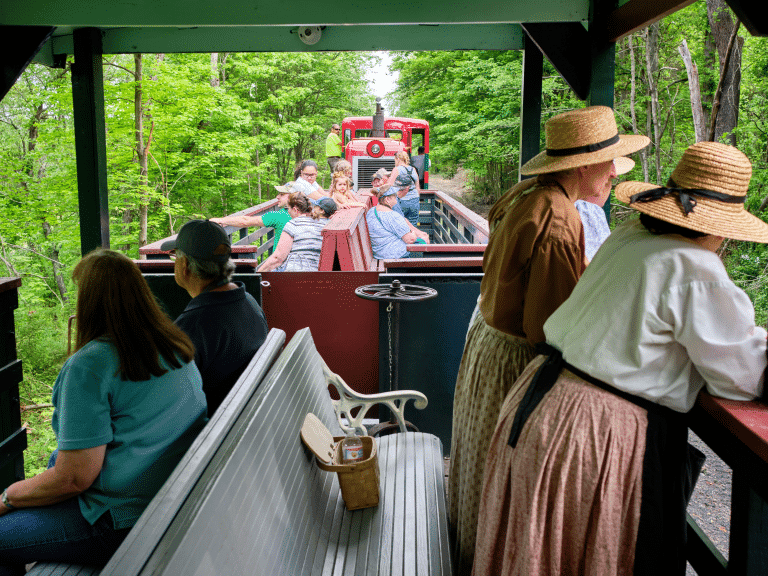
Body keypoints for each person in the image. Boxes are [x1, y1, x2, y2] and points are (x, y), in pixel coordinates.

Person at [473, 141, 768, 576]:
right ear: (720, 227)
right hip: (596, 430)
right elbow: (741, 378)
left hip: (544, 402)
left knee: (543, 549)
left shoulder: (631, 237)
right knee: (604, 554)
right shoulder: (694, 269)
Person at [448, 105, 650, 575]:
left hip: (487, 340)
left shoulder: (528, 194)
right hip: (512, 355)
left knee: (479, 462)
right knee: (504, 478)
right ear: (583, 166)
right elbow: (552, 328)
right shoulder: (560, 220)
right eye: (609, 167)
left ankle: (465, 557)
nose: (612, 179)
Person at [0, 250, 207, 575]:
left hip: (121, 522)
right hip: (166, 497)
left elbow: (74, 478)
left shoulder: (90, 366)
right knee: (55, 463)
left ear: (90, 303)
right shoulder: (175, 346)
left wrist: (8, 498)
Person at [161, 220, 268, 414]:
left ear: (185, 265)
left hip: (211, 431)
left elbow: (168, 401)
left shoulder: (194, 326)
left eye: (175, 256)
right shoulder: (248, 302)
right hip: (244, 414)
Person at [210, 182, 295, 246]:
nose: (277, 197)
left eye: (282, 194)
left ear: (293, 196)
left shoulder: (279, 216)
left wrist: (220, 220)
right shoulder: (306, 214)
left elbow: (245, 221)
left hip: (281, 265)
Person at [257, 193, 328, 272]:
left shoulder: (293, 224)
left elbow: (278, 258)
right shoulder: (322, 224)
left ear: (295, 210)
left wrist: (257, 275)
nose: (288, 212)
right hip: (319, 274)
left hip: (295, 275)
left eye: (288, 209)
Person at [366, 184, 424, 259]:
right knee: (422, 243)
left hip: (379, 252)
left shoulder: (372, 211)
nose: (396, 198)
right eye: (394, 196)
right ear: (387, 199)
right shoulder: (393, 216)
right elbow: (410, 239)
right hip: (393, 254)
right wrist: (414, 234)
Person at [387, 151, 421, 226]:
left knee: (399, 225)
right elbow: (417, 187)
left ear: (398, 159)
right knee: (413, 226)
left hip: (401, 201)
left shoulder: (397, 169)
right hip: (414, 201)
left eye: (395, 160)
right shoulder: (413, 169)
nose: (395, 162)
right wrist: (416, 199)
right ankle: (413, 237)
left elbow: (388, 185)